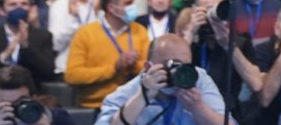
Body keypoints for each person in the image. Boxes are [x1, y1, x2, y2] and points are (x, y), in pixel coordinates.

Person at [98, 33, 231, 125]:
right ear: (147, 67)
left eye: (184, 65)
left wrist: (198, 107)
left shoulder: (198, 78)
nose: (179, 72)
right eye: (172, 65)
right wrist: (141, 98)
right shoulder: (126, 93)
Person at [177, 0, 264, 121]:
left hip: (227, 115)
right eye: (207, 10)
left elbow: (256, 83)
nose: (213, 15)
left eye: (217, 9)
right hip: (188, 115)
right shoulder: (190, 43)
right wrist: (189, 34)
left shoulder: (239, 42)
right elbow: (175, 71)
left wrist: (227, 44)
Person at [65, 0, 149, 108]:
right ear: (111, 8)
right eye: (128, 3)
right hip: (95, 105)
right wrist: (114, 68)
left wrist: (133, 65)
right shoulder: (86, 33)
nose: (133, 7)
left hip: (133, 105)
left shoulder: (140, 30)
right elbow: (73, 76)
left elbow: (149, 68)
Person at [48, 0, 99, 74]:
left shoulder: (103, 1)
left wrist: (98, 14)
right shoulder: (59, 5)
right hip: (68, 67)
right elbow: (56, 44)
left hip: (100, 66)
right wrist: (72, 18)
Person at [0, 64, 75, 125]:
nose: (15, 110)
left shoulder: (57, 118)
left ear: (34, 99)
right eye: (7, 104)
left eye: (21, 103)